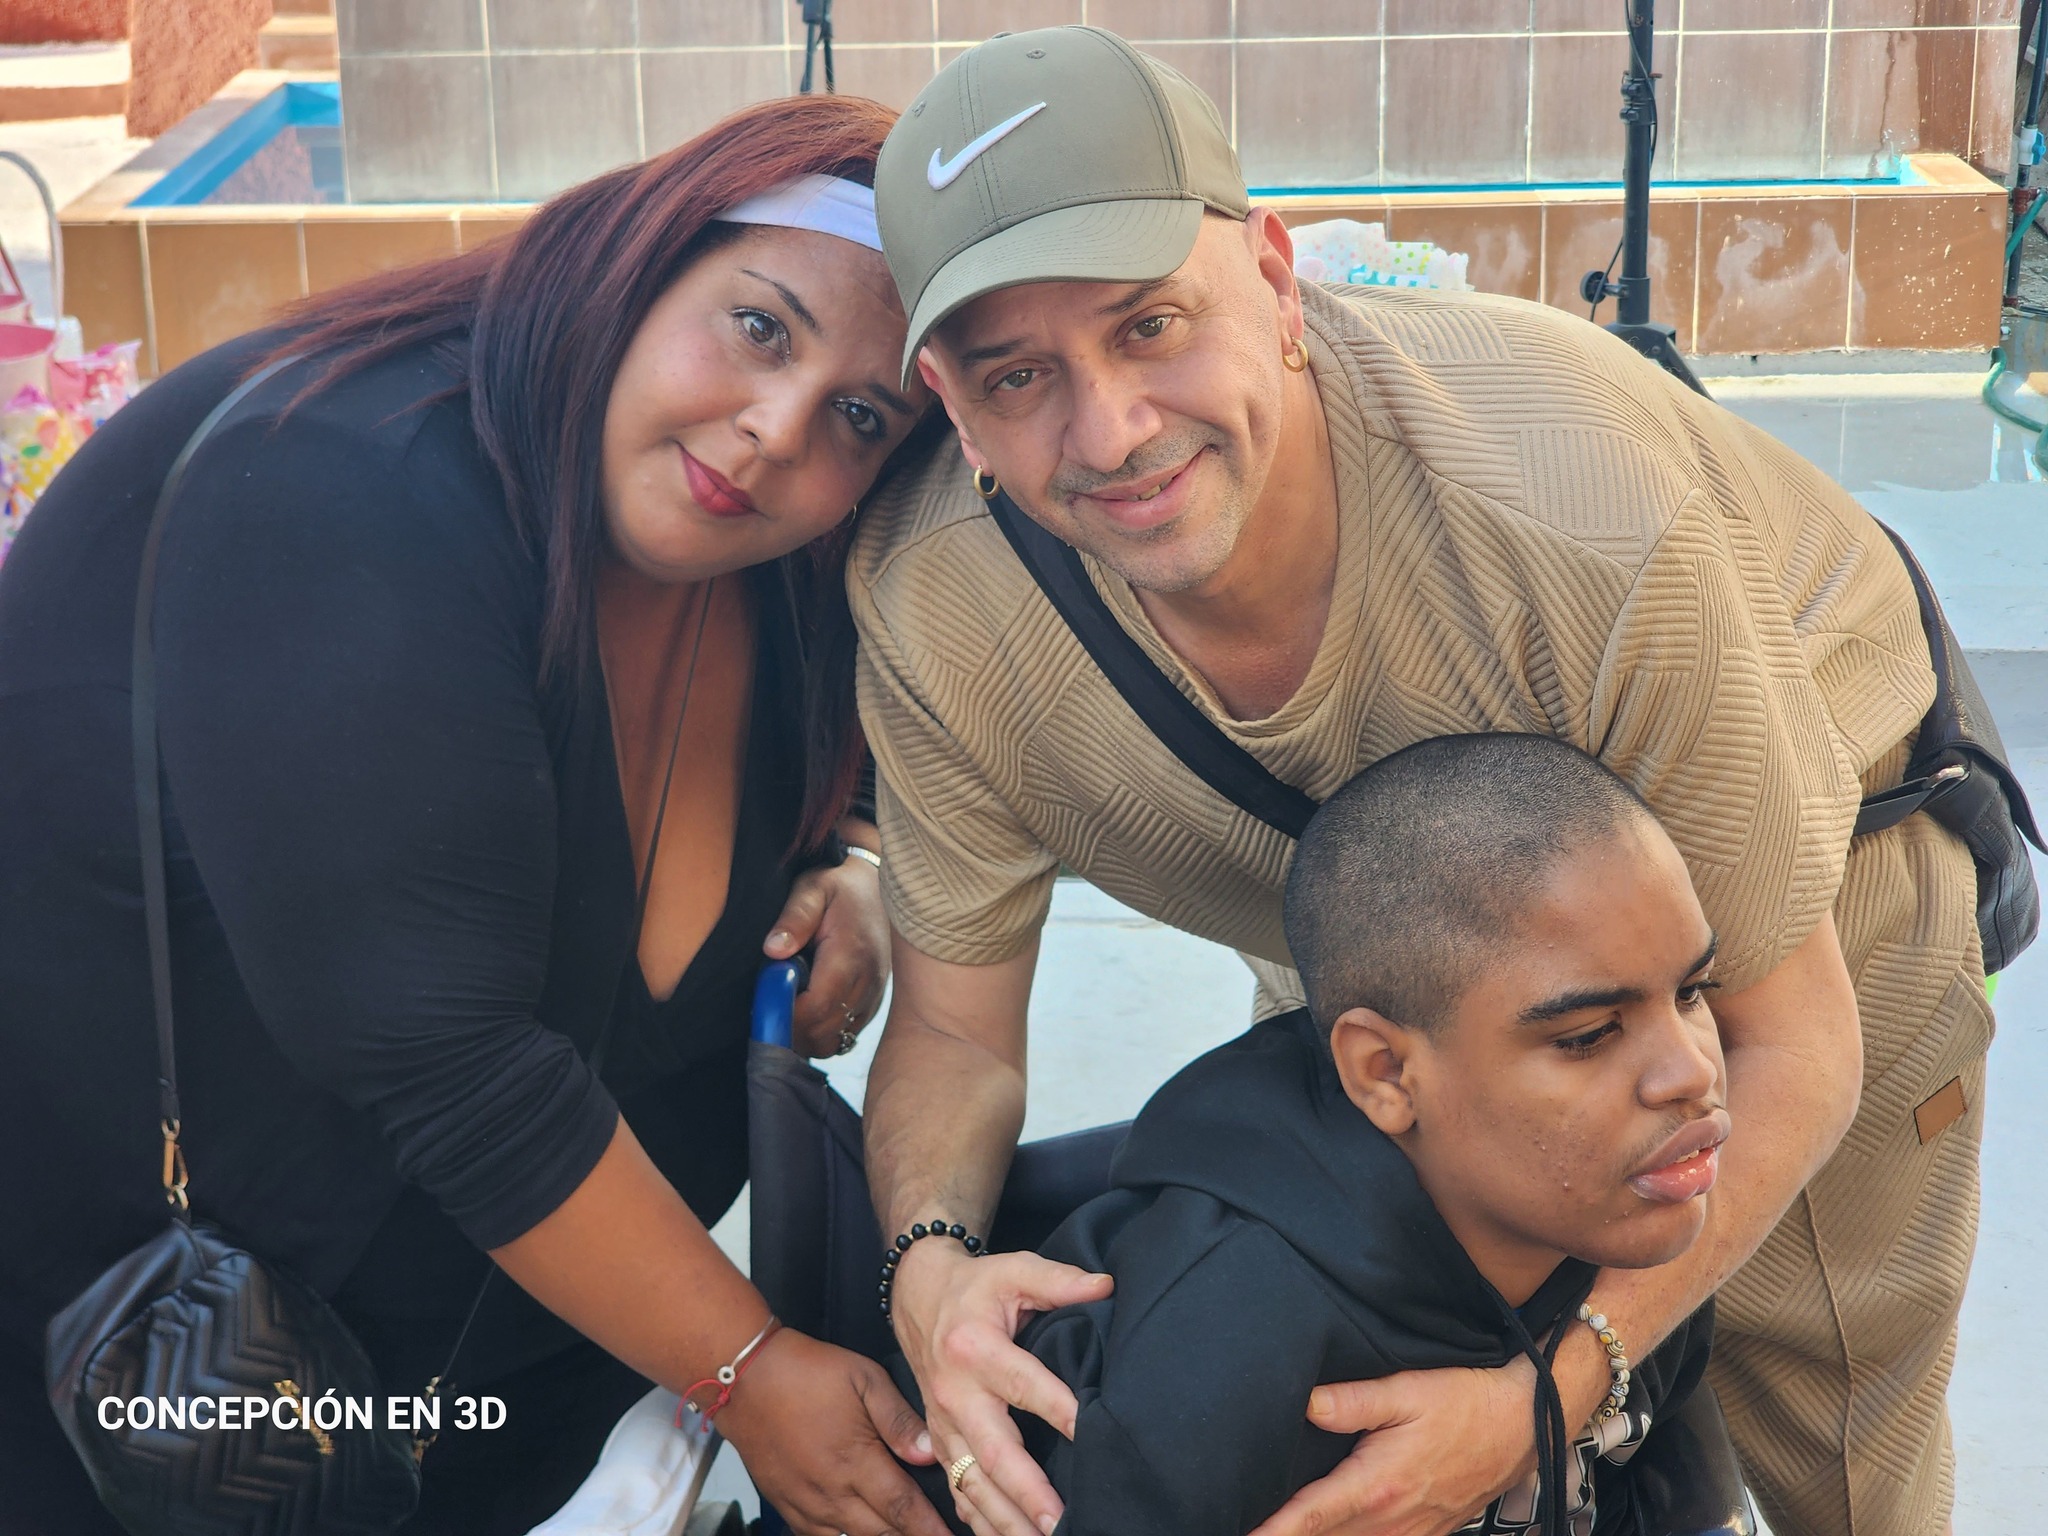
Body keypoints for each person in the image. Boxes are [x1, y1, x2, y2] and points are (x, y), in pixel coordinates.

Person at [851, 26, 1983, 1536]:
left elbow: (1791, 1042)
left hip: (1775, 913)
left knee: (1823, 1408)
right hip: (1373, 947)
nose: (1111, 432)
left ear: (1270, 278)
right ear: (949, 398)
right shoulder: (939, 612)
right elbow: (950, 1024)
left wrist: (1561, 1381)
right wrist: (928, 1273)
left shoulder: (1577, 502)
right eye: (1019, 374)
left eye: (1149, 326)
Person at [0, 97, 953, 1536]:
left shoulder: (770, 555)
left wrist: (858, 855)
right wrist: (750, 1371)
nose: (774, 431)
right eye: (759, 327)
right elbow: (454, 1068)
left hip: (507, 1410)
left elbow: (890, 677)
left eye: (861, 417)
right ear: (649, 254)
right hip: (166, 1393)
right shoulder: (350, 486)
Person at [897, 733, 1727, 1536]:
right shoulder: (1230, 1347)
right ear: (1386, 1074)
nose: (1689, 1072)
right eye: (1587, 1034)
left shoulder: (1638, 1201)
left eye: (1693, 991)